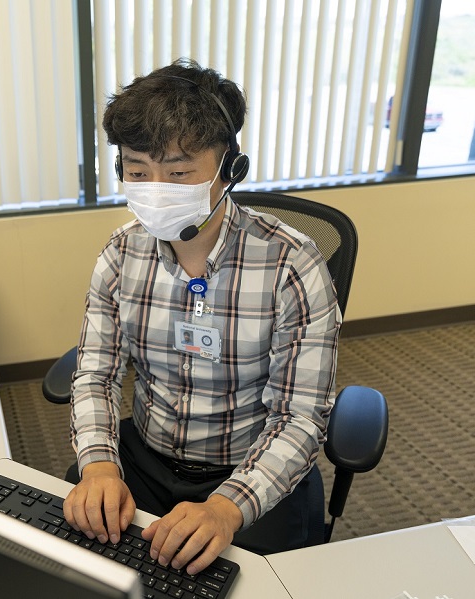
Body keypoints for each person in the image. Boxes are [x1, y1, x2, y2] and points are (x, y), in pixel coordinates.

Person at [62, 58, 340, 576]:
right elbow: (95, 374)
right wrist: (99, 464)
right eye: (138, 171)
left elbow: (299, 416)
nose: (156, 187)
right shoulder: (122, 255)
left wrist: (224, 508)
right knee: (75, 566)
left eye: (180, 171)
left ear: (230, 167)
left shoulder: (291, 264)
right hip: (143, 458)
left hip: (250, 469)